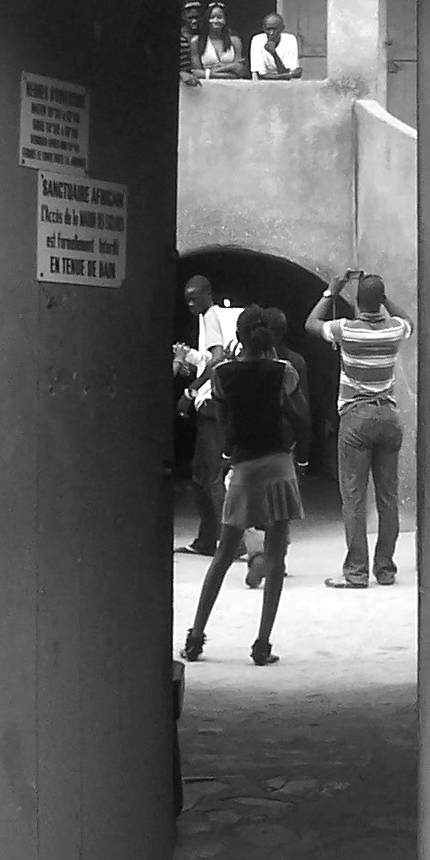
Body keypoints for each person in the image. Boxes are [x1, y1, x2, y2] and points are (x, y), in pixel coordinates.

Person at [183, 307, 307, 667]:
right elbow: (296, 411)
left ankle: (195, 637)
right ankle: (262, 644)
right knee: (276, 555)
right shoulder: (285, 372)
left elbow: (225, 424)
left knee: (223, 557)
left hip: (244, 468)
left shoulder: (223, 376)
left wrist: (230, 452)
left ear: (238, 336)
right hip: (280, 467)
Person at [306, 268, 413, 588]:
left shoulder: (347, 330)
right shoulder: (394, 329)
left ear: (358, 302)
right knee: (388, 498)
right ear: (379, 301)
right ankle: (385, 569)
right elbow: (405, 317)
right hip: (389, 418)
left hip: (356, 418)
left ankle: (355, 572)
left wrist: (331, 291)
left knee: (353, 498)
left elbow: (310, 324)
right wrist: (382, 296)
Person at [173, 275, 243, 555]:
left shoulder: (212, 316)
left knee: (213, 477)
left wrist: (189, 392)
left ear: (208, 294)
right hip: (211, 407)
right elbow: (209, 358)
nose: (190, 303)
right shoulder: (208, 318)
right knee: (200, 475)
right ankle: (207, 538)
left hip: (214, 407)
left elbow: (217, 360)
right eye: (186, 298)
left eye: (195, 297)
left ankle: (232, 543)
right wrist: (188, 356)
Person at [244, 308, 311, 590]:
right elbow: (303, 410)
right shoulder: (294, 363)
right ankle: (275, 559)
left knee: (253, 507)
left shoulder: (242, 366)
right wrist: (305, 452)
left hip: (251, 447)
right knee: (281, 507)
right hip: (284, 444)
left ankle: (258, 556)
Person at [199, 0, 247, 79]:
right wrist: (229, 70)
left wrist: (213, 71)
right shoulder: (198, 41)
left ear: (225, 20)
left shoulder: (235, 41)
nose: (216, 21)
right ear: (206, 20)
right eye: (212, 17)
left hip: (232, 87)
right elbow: (195, 72)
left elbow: (240, 70)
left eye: (220, 17)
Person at [251, 12, 302, 81]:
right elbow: (260, 76)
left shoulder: (290, 40)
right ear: (263, 28)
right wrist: (289, 74)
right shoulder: (257, 40)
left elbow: (287, 76)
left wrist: (274, 54)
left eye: (274, 29)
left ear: (282, 29)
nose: (271, 33)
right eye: (268, 29)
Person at [178, 0, 203, 86]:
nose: (194, 21)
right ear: (183, 17)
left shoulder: (205, 37)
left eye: (197, 17)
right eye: (190, 18)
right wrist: (180, 73)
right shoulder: (177, 36)